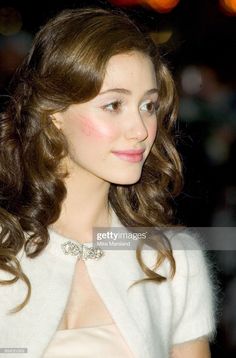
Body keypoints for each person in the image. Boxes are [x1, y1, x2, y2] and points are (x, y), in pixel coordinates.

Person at [0, 7, 218, 358]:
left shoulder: (172, 260)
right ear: (54, 114)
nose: (141, 130)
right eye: (114, 104)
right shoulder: (6, 252)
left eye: (148, 105)